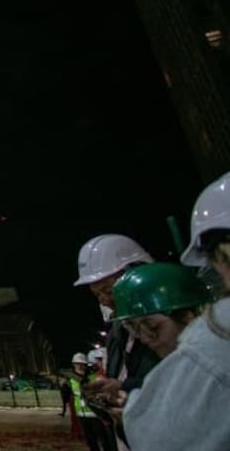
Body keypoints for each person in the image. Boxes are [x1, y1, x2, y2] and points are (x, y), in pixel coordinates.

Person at [117, 173, 230, 451]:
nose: (145, 337)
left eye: (151, 327)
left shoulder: (215, 339)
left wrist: (132, 408)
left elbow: (160, 436)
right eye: (134, 328)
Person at [74, 234, 161, 405]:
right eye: (97, 294)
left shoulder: (169, 325)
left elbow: (178, 383)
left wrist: (126, 388)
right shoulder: (118, 332)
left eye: (107, 290)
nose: (103, 300)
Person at [68, 352, 116, 451]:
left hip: (95, 412)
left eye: (82, 364)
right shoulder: (71, 379)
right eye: (78, 363)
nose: (80, 366)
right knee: (90, 440)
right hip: (81, 413)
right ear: (74, 364)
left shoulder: (93, 377)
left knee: (103, 438)